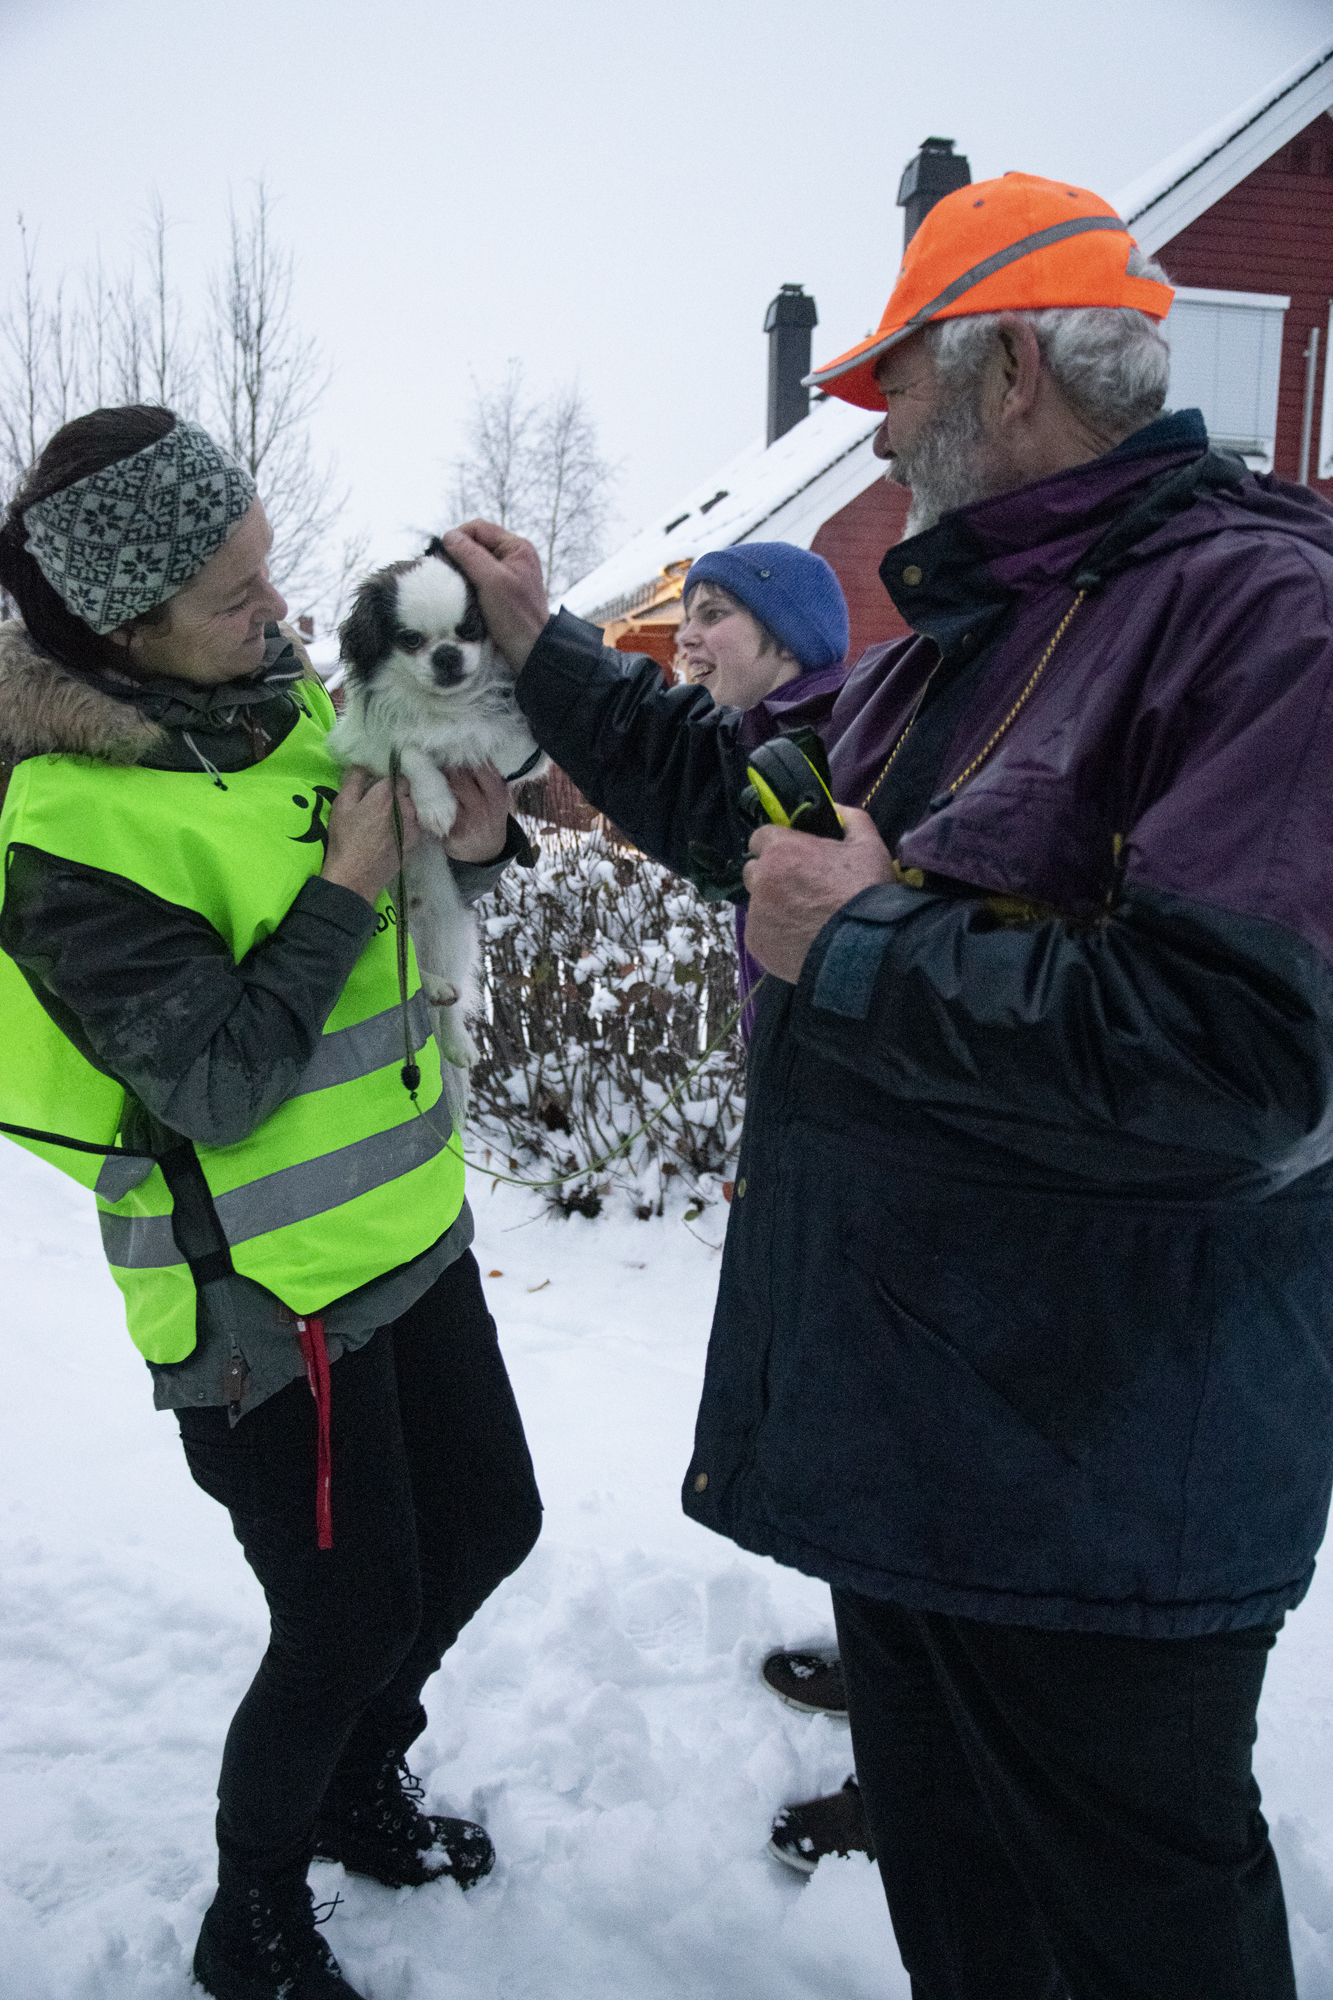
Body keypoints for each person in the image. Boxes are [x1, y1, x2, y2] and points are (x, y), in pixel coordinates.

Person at [444, 170, 1333, 1999]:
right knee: (971, 1917)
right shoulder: (987, 624)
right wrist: (545, 657)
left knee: (1128, 1938)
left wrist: (858, 944)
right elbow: (749, 814)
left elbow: (1247, 1061)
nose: (872, 427)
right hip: (932, 1453)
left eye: (894, 384)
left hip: (1100, 1491)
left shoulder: (1261, 625)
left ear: (1006, 365)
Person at [0, 406, 542, 2000]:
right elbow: (219, 1088)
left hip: (407, 1237)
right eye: (239, 597)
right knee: (343, 1618)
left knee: (488, 1528)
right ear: (125, 625)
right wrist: (354, 881)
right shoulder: (67, 832)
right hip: (257, 1311)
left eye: (270, 573)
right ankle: (249, 1920)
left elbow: (381, 931)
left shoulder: (271, 710)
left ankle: (357, 1787)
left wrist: (470, 856)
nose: (283, 615)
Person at [675, 543, 871, 1869]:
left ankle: (910, 1764)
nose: (684, 635)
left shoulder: (828, 754)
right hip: (817, 1126)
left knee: (876, 1420)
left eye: (710, 614)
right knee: (855, 1411)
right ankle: (883, 1660)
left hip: (867, 1143)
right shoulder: (763, 741)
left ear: (788, 636)